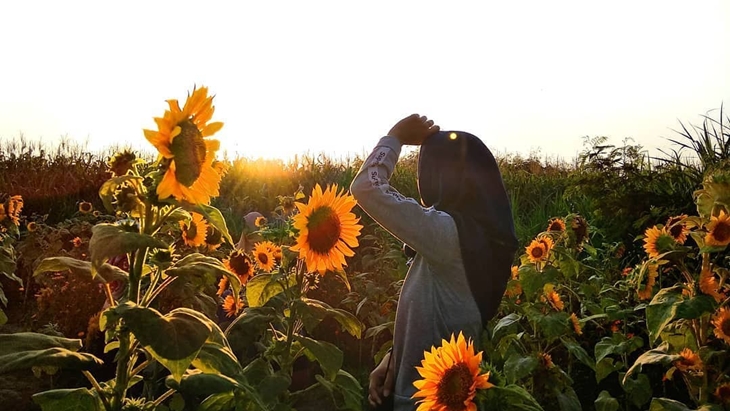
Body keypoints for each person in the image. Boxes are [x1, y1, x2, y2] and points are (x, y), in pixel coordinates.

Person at [350, 114, 519, 410]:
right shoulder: (476, 238)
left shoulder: (450, 235)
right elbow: (439, 316)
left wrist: (395, 136)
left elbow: (366, 187)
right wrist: (394, 360)